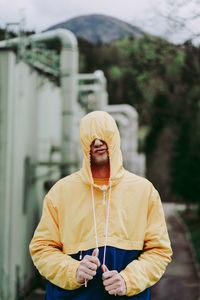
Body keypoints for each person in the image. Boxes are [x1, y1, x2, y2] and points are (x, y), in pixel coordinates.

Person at [29, 110, 172, 299]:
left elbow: (159, 251)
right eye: (90, 138)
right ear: (83, 142)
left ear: (114, 137)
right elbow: (42, 248)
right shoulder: (61, 191)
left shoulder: (144, 191)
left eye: (103, 136)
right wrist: (73, 270)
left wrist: (128, 280)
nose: (97, 143)